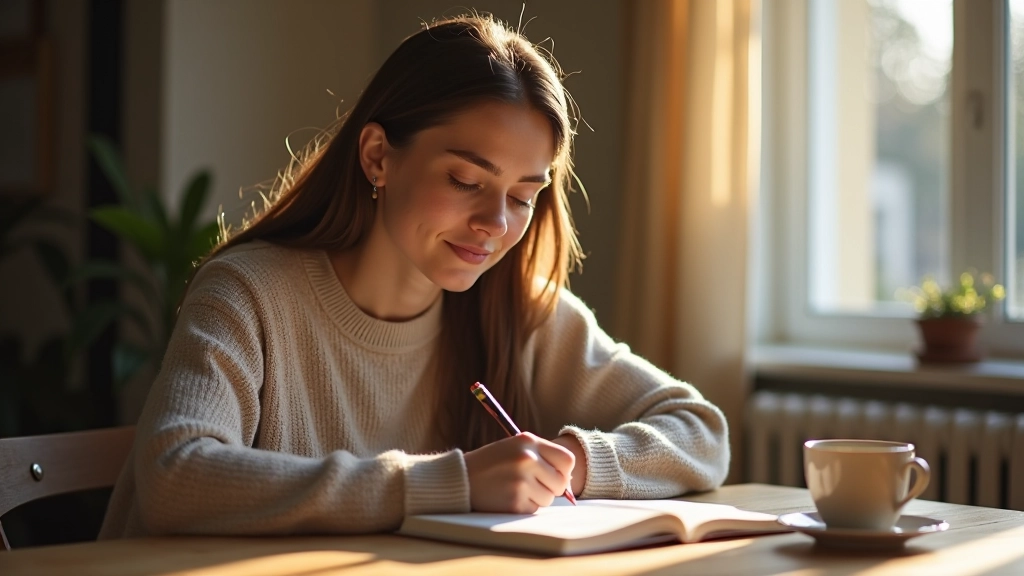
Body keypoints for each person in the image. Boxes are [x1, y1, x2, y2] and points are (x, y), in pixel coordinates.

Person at [99, 13, 729, 538]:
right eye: (465, 181)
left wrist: (572, 463)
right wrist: (449, 484)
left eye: (522, 195)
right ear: (378, 156)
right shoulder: (250, 293)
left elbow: (701, 432)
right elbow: (175, 476)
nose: (494, 223)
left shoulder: (516, 306)